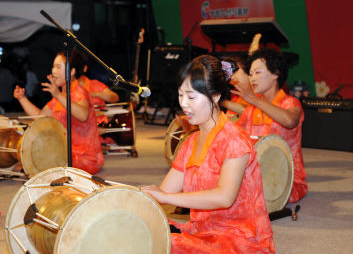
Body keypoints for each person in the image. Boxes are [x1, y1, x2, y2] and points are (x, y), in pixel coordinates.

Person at [141, 55, 275, 253]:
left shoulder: (234, 140)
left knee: (166, 246)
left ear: (215, 96)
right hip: (203, 231)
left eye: (192, 96)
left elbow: (224, 197)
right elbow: (166, 190)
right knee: (146, 233)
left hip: (239, 239)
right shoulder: (190, 143)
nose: (184, 104)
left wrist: (166, 197)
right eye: (180, 95)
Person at [233, 47, 308, 203]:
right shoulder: (251, 110)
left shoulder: (290, 103)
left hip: (286, 180)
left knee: (242, 196)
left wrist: (254, 100)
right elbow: (232, 137)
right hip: (253, 174)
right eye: (251, 74)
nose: (252, 78)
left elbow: (290, 121)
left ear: (276, 74)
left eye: (258, 72)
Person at [13, 50, 104, 174]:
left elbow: (83, 115)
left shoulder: (79, 92)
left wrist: (57, 95)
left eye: (58, 67)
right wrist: (22, 99)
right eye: (53, 66)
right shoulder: (60, 97)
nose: (53, 71)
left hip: (85, 158)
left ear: (71, 72)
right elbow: (40, 117)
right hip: (66, 155)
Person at [73, 50, 119, 124]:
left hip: (98, 125)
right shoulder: (67, 87)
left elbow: (114, 97)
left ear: (84, 68)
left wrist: (96, 94)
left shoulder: (95, 85)